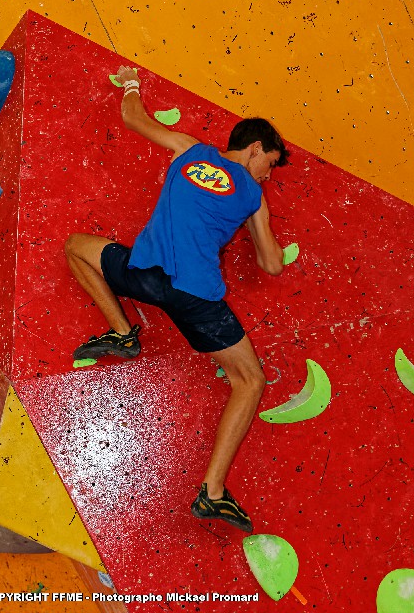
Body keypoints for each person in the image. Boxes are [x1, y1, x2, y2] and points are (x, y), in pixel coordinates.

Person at [65, 66, 289, 532]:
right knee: (250, 381)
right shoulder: (253, 194)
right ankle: (213, 493)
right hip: (195, 296)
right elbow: (271, 264)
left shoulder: (190, 149)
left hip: (143, 276)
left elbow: (133, 117)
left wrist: (130, 83)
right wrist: (255, 216)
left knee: (75, 247)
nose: (268, 174)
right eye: (270, 163)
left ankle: (123, 332)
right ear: (255, 148)